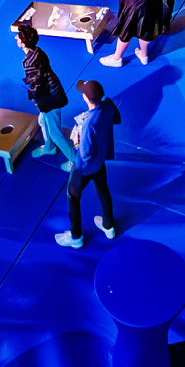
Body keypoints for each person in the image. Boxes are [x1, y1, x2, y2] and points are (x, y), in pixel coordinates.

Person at [54, 79, 120, 249]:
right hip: (100, 161)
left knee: (72, 196)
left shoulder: (89, 125)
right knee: (103, 190)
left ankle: (76, 236)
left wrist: (76, 141)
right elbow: (117, 119)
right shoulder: (108, 104)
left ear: (86, 98)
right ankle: (109, 226)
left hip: (83, 168)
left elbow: (85, 153)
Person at [13, 22, 75, 161]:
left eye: (18, 37)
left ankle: (74, 160)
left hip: (49, 99)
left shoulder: (30, 63)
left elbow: (37, 85)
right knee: (42, 121)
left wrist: (35, 99)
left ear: (23, 43)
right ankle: (49, 147)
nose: (16, 38)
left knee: (55, 133)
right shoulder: (38, 51)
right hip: (51, 93)